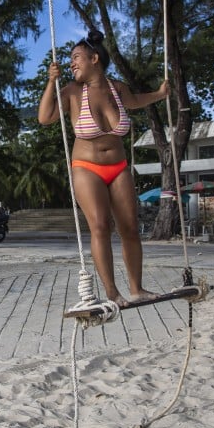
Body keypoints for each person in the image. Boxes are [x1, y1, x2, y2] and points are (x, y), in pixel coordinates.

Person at [38, 29, 169, 308]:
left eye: (76, 58)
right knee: (100, 226)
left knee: (130, 228)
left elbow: (136, 101)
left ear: (94, 58)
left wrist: (159, 94)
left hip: (118, 167)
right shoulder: (72, 91)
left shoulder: (116, 89)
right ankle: (112, 292)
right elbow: (45, 117)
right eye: (71, 59)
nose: (71, 63)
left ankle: (137, 287)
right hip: (87, 168)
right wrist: (51, 82)